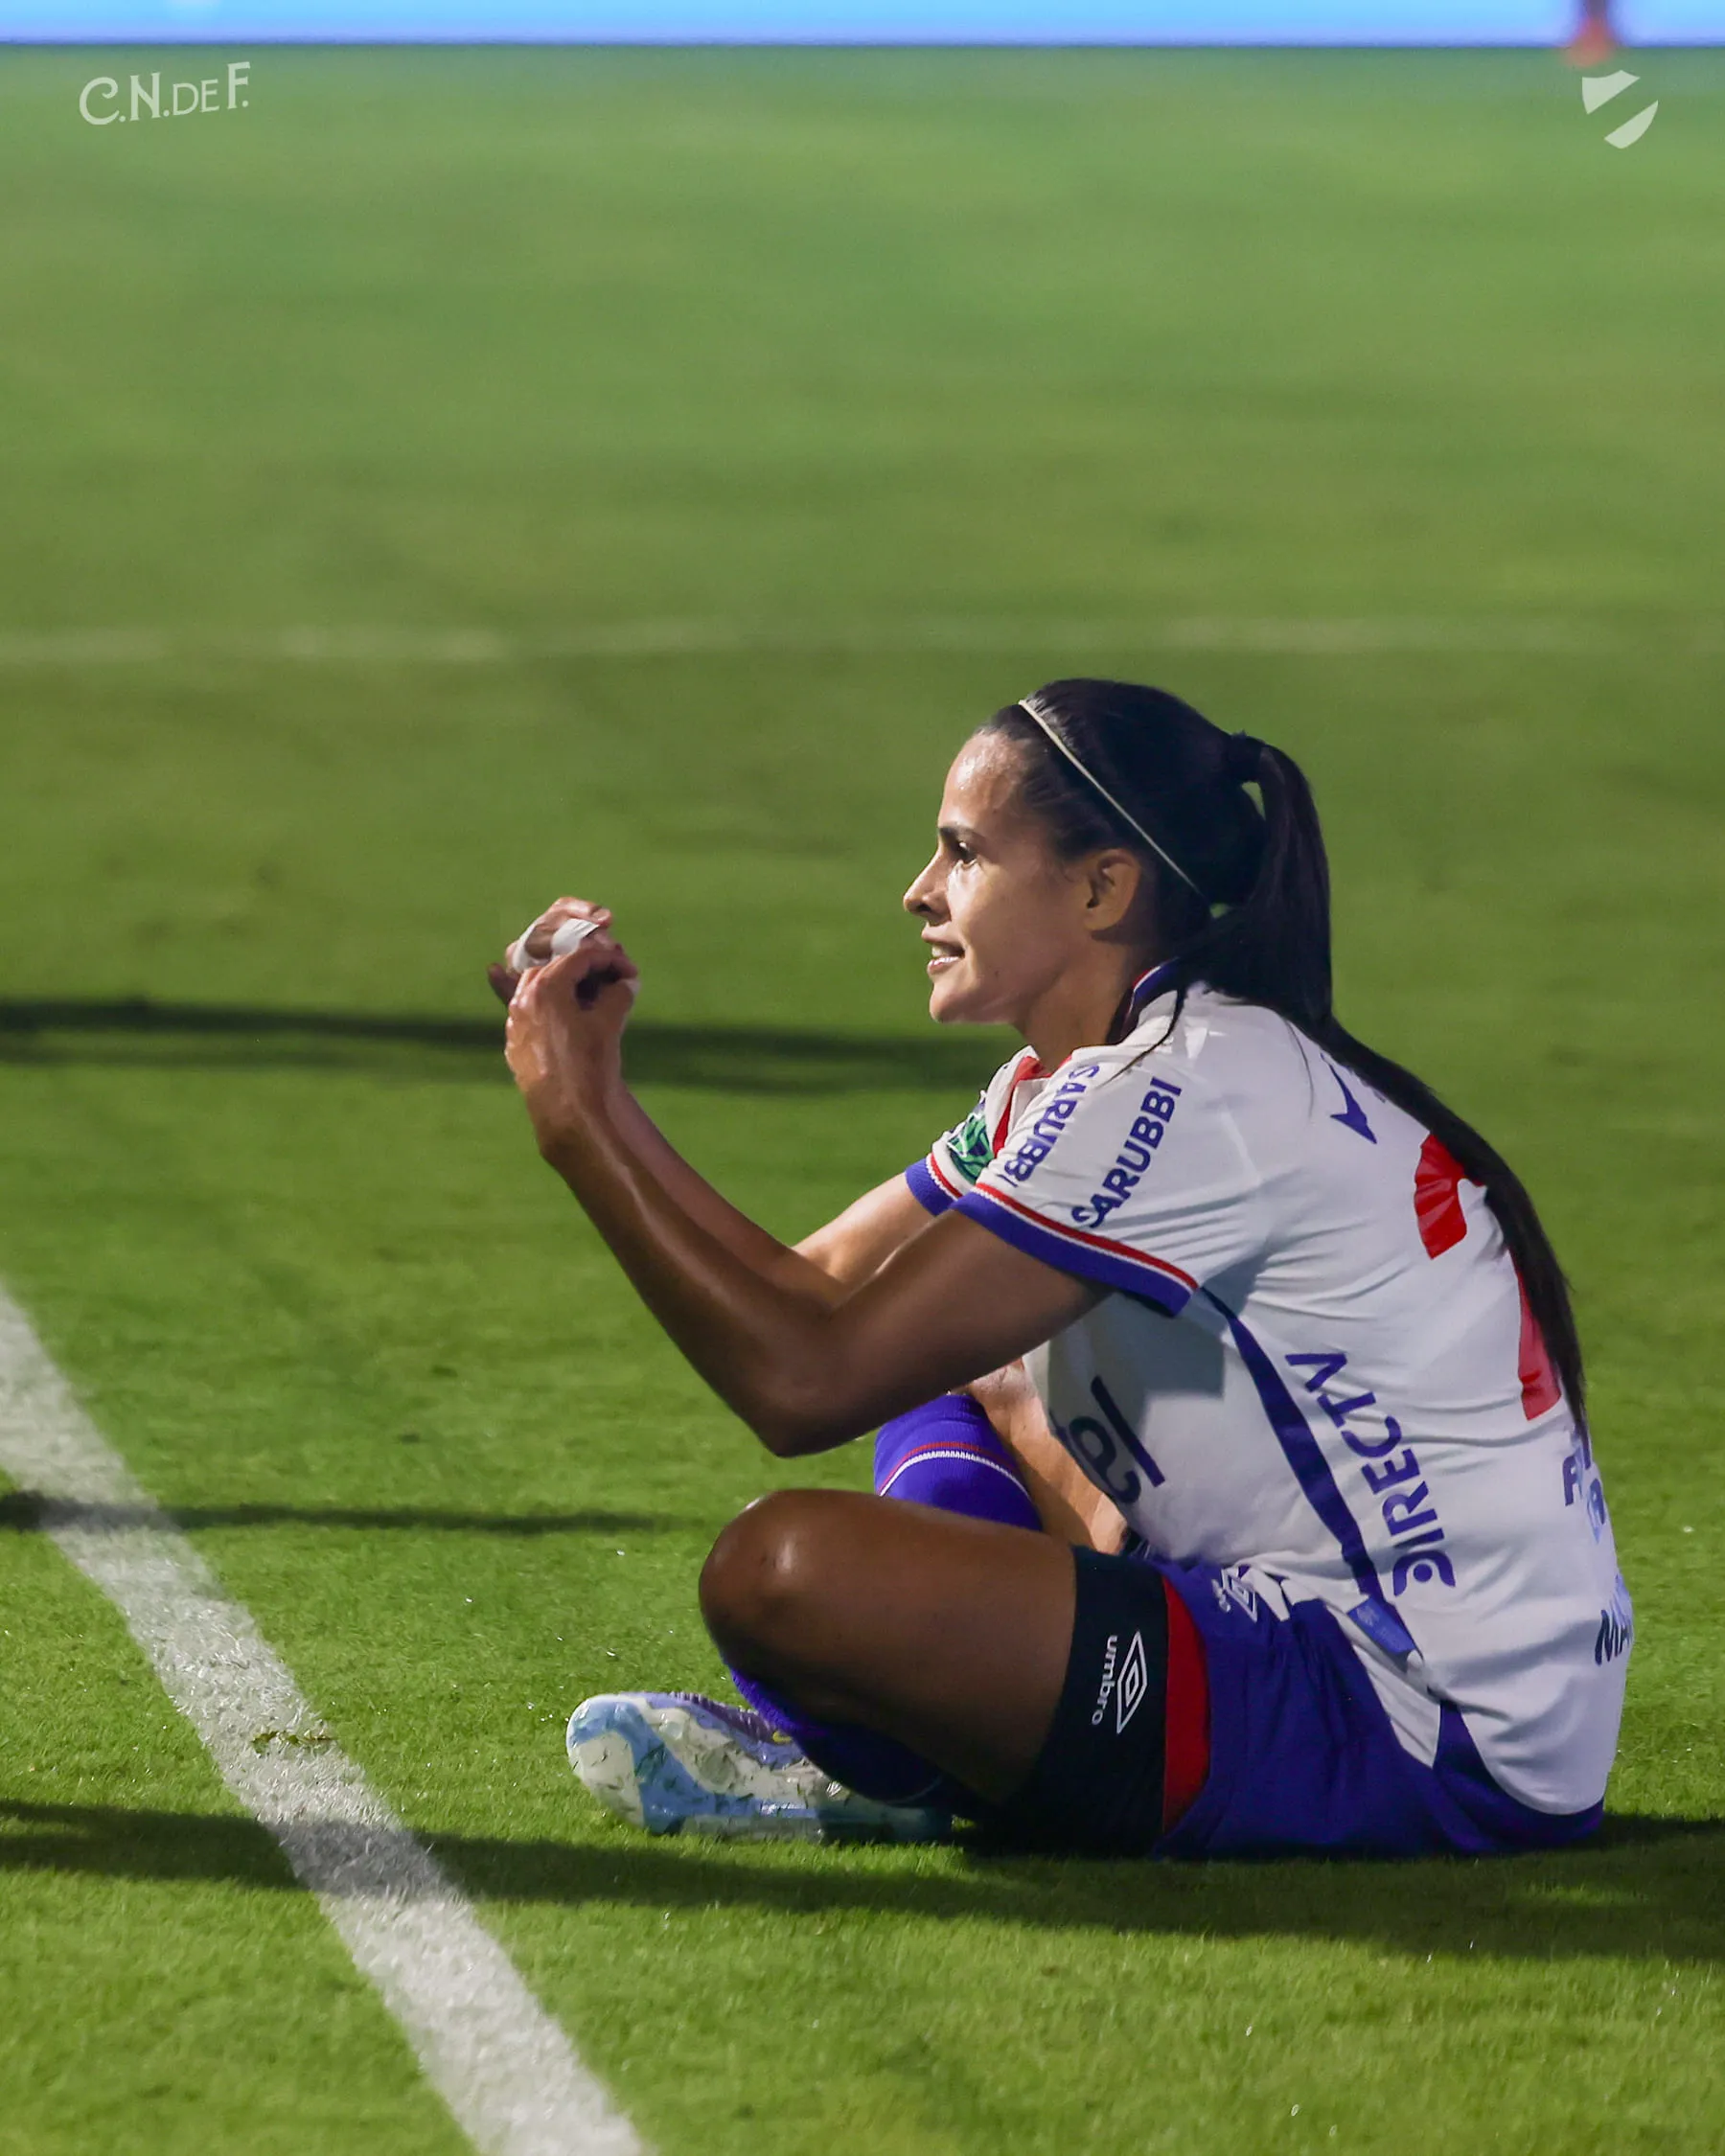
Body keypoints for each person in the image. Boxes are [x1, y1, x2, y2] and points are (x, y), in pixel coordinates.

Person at [492, 679, 1629, 1858]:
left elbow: (800, 1383)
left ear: (1101, 887)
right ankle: (942, 1734)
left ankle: (902, 1762)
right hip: (1404, 1661)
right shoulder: (1104, 1074)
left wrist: (575, 1129)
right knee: (953, 1357)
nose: (920, 891)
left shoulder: (1180, 1091)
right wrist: (599, 1094)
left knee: (777, 1573)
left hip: (1417, 1717)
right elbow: (821, 1289)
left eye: (964, 854)